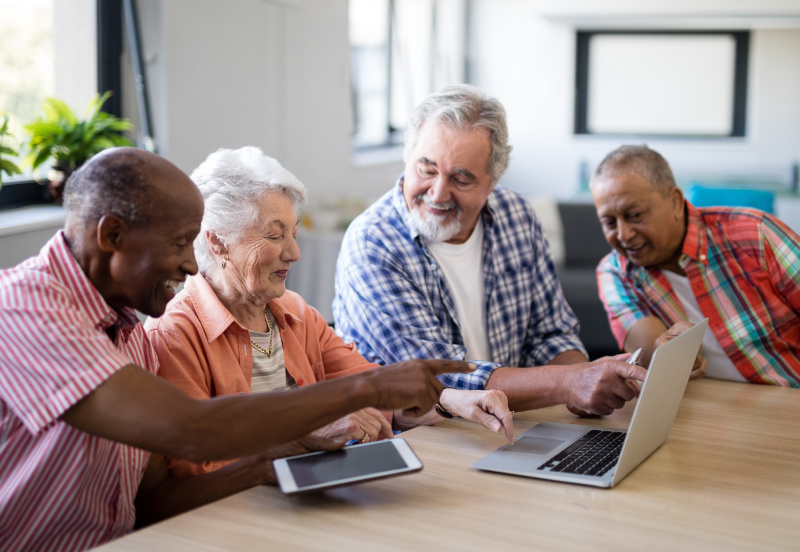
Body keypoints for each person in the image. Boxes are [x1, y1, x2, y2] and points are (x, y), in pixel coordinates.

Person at [0, 147, 477, 551]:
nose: (191, 265)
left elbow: (152, 504)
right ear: (112, 236)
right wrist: (366, 387)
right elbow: (191, 431)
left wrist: (264, 466)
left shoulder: (127, 336)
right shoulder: (25, 308)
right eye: (179, 243)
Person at [145, 146, 513, 478]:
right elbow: (193, 469)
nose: (294, 253)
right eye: (274, 236)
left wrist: (453, 400)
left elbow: (374, 388)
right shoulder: (174, 334)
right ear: (217, 240)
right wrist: (303, 433)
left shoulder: (295, 313)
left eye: (293, 234)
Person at [333, 84, 647, 416]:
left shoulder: (517, 215)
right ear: (407, 158)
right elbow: (439, 377)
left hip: (508, 425)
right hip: (418, 438)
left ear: (492, 182)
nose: (438, 193)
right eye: (426, 170)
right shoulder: (373, 244)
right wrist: (567, 382)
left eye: (461, 179)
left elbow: (550, 334)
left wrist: (584, 385)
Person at [591, 144, 800, 387]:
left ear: (676, 202)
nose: (623, 234)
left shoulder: (755, 233)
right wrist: (668, 353)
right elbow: (651, 356)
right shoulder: (616, 272)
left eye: (635, 215)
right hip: (705, 408)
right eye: (609, 222)